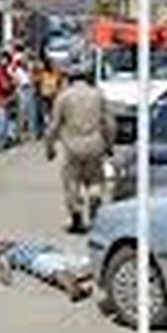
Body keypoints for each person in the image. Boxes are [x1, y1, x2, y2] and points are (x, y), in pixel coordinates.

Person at [44, 65, 115, 233]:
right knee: (95, 180)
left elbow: (54, 125)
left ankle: (76, 215)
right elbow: (110, 124)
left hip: (72, 146)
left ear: (69, 79)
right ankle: (94, 200)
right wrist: (109, 145)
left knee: (71, 182)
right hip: (95, 145)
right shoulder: (98, 95)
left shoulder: (63, 97)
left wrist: (49, 147)